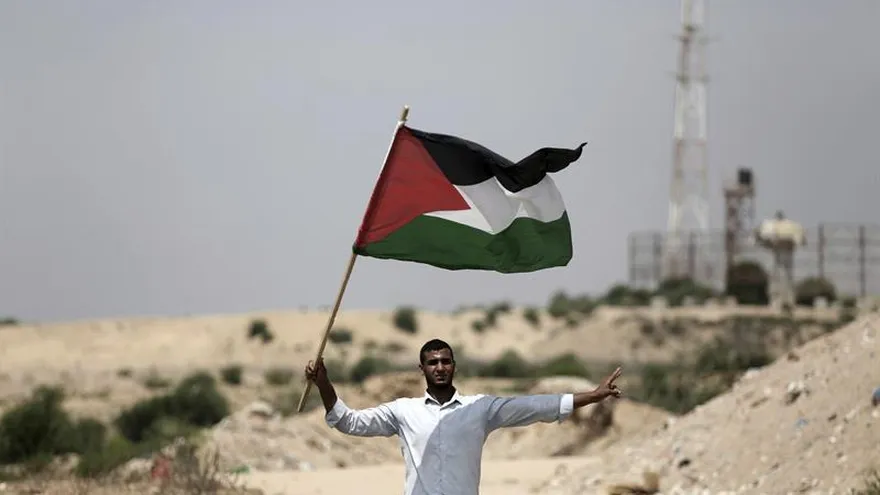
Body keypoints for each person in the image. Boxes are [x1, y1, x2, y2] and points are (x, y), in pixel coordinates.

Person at [304, 338, 623, 495]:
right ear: (422, 369)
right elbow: (348, 422)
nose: (439, 367)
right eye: (432, 362)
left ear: (454, 366)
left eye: (445, 361)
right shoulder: (403, 411)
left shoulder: (479, 409)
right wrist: (323, 383)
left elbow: (535, 407)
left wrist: (594, 395)